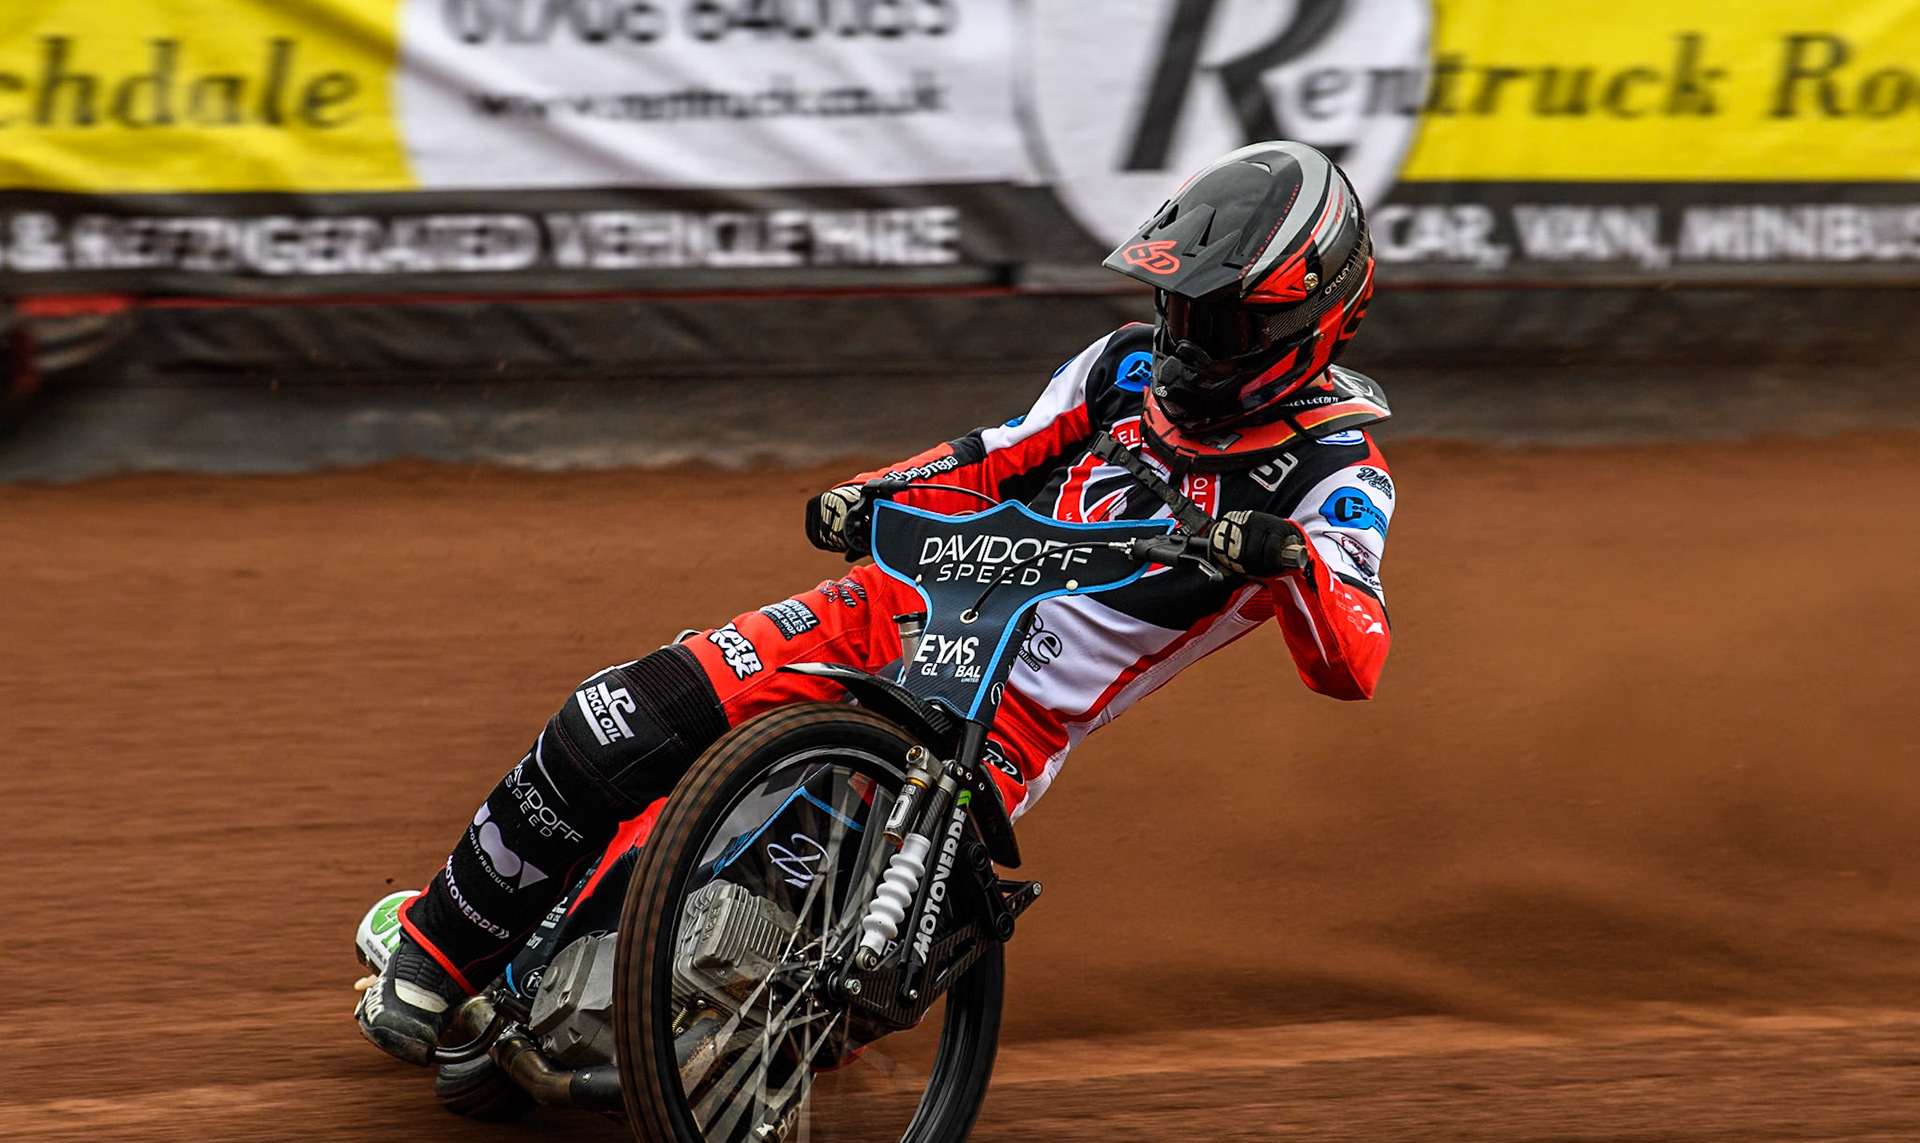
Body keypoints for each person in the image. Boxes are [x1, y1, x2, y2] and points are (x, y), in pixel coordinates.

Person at [355, 141, 1397, 1064]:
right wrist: (875, 491)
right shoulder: (1125, 367)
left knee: (748, 913)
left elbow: (1357, 659)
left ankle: (675, 1029)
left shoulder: (1337, 472)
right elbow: (993, 457)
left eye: (1218, 323)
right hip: (887, 603)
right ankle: (435, 958)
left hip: (1002, 718)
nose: (1183, 342)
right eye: (1178, 308)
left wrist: (1295, 559)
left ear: (1311, 322)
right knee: (612, 721)